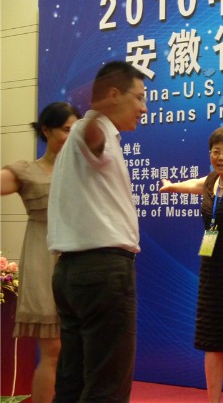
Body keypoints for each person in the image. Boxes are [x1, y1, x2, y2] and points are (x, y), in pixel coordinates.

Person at [47, 61, 147, 402]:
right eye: (139, 97)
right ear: (113, 95)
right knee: (107, 385)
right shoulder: (91, 130)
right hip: (102, 272)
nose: (144, 108)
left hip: (75, 273)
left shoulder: (88, 137)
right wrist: (96, 109)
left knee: (73, 382)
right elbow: (93, 138)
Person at [159, 126, 223, 403]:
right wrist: (172, 187)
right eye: (216, 151)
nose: (220, 157)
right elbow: (195, 185)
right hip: (212, 273)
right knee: (212, 341)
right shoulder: (213, 180)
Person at [1, 102, 80, 403]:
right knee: (53, 349)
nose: (72, 136)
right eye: (66, 130)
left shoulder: (85, 170)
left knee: (79, 350)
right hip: (43, 258)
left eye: (76, 130)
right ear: (46, 130)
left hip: (80, 259)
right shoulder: (27, 171)